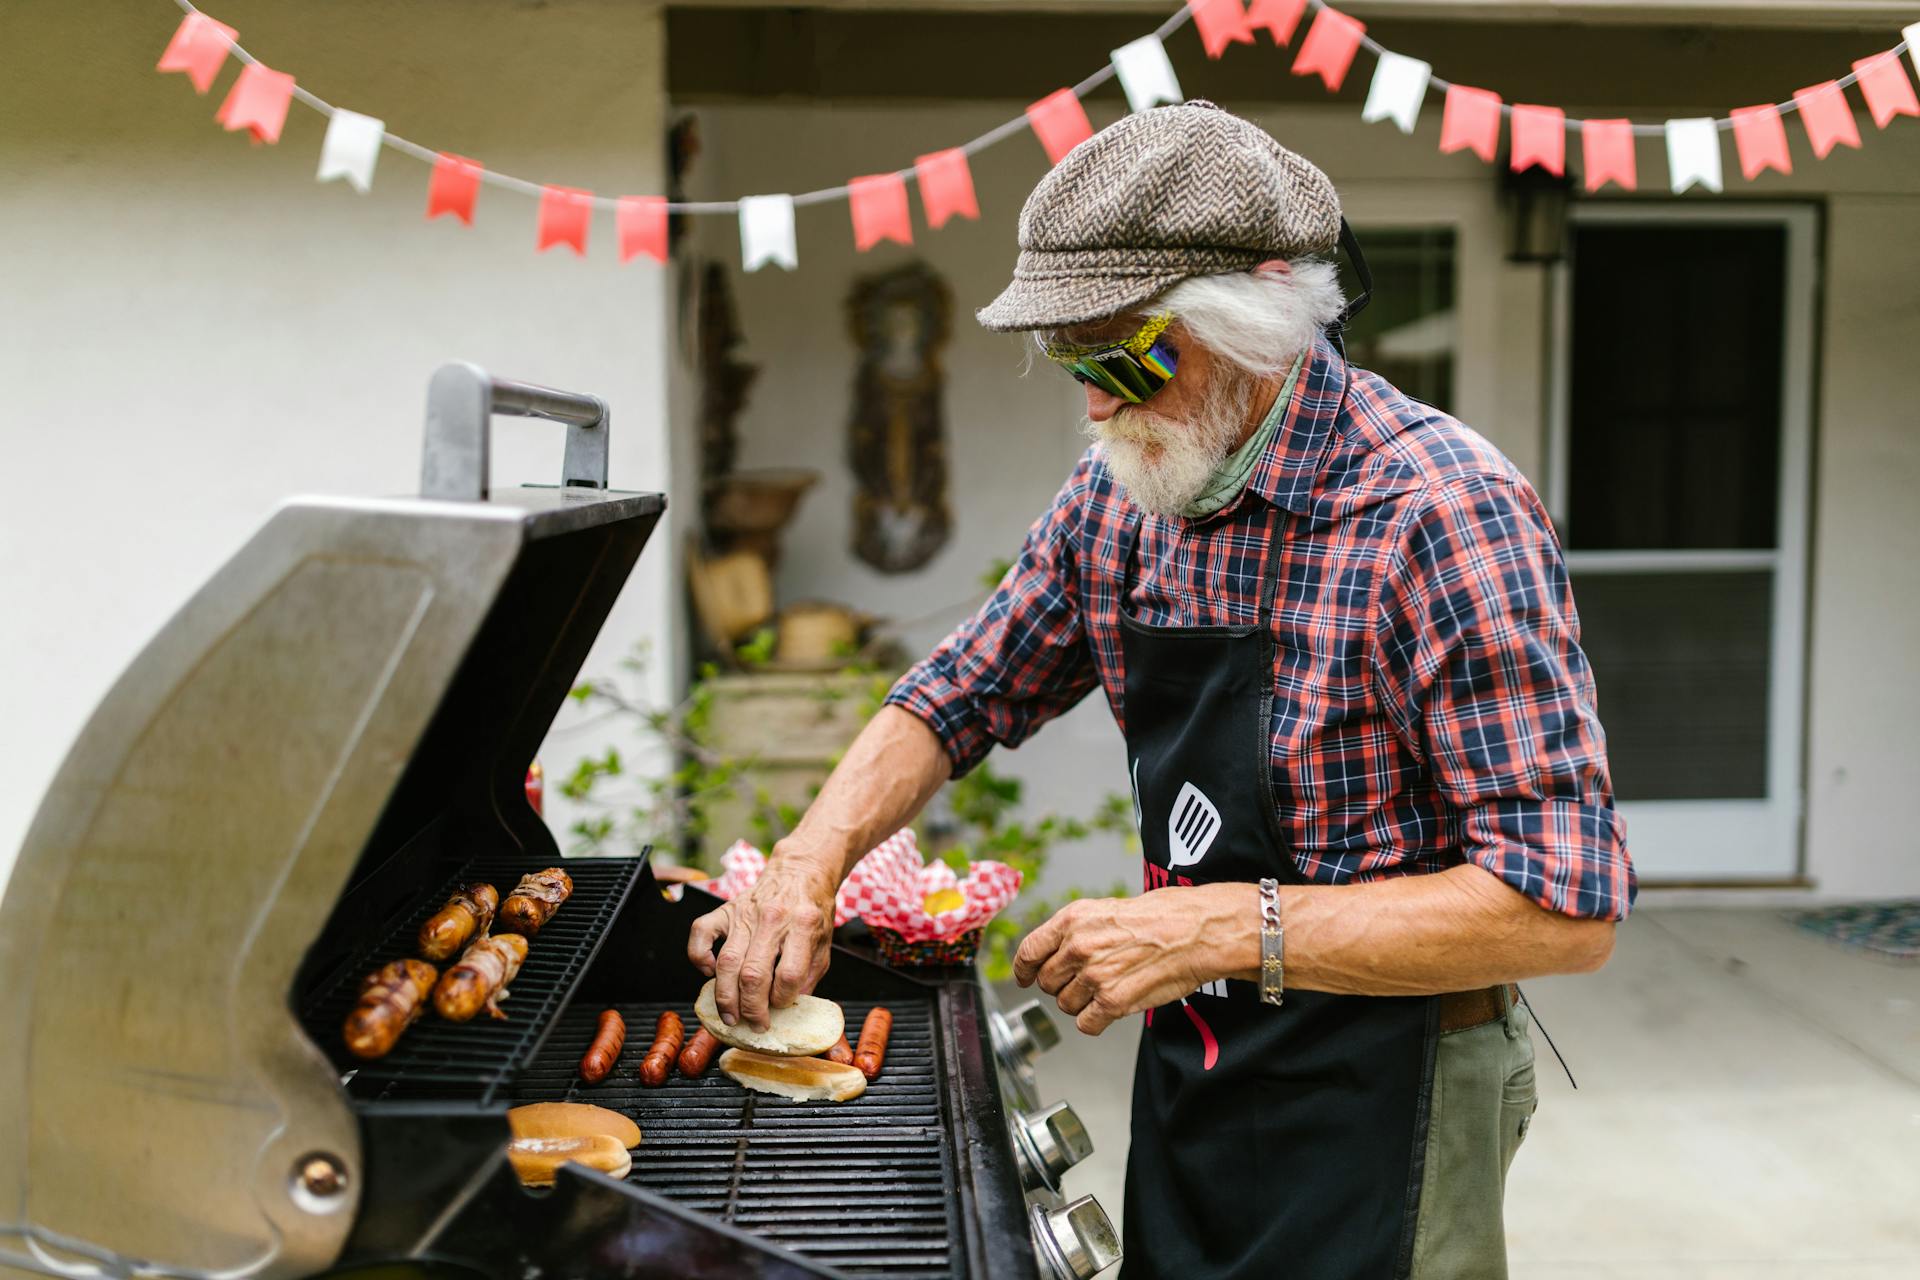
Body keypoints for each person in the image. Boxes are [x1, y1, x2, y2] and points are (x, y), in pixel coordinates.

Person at [689, 100, 1635, 1280]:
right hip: (1202, 1051)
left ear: (1258, 323)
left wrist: (1217, 924)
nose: (1092, 402)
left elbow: (1564, 905)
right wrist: (804, 863)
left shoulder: (1440, 514)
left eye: (1122, 358)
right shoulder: (1128, 490)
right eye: (1073, 361)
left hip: (1396, 1086)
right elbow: (959, 689)